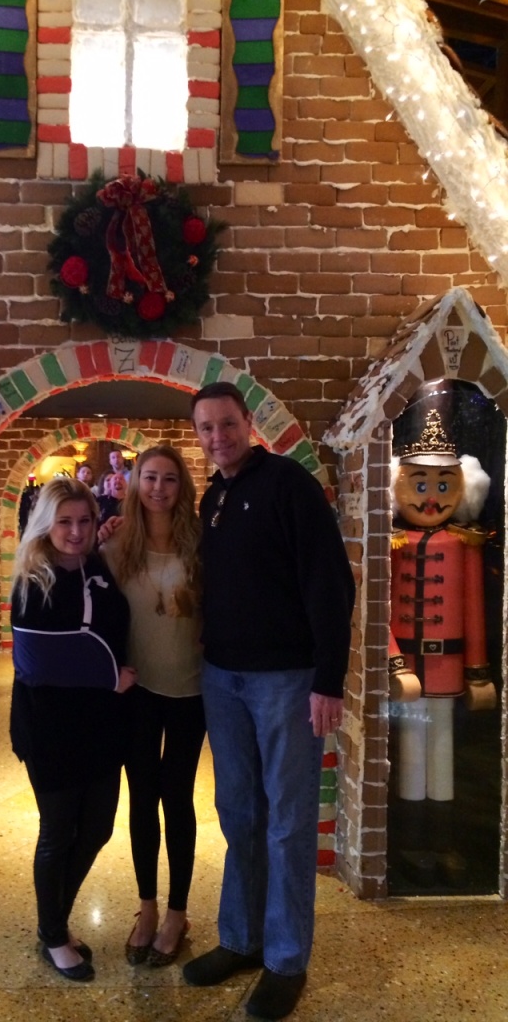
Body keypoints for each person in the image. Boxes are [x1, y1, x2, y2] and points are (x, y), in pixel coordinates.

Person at [182, 382, 355, 1021]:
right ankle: (241, 938)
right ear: (197, 435)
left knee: (286, 822)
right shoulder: (214, 498)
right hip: (223, 677)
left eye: (227, 424)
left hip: (287, 679)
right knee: (239, 815)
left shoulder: (289, 485)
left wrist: (328, 681)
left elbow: (331, 585)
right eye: (206, 428)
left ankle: (285, 960)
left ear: (248, 423)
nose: (218, 437)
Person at [9, 477, 137, 983]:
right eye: (65, 521)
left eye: (84, 520)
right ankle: (53, 933)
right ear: (46, 523)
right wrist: (109, 675)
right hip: (49, 728)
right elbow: (38, 661)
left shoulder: (99, 568)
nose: (76, 531)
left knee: (99, 828)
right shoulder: (31, 579)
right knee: (59, 832)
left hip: (103, 724)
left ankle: (55, 922)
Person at [101, 445, 204, 968]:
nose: (158, 488)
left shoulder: (201, 544)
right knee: (140, 798)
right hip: (137, 691)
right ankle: (146, 906)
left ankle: (177, 912)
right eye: (149, 478)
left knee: (177, 799)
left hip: (191, 692)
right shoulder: (117, 545)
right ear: (134, 483)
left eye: (168, 479)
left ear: (181, 486)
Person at [388, 408, 494, 887]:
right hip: (409, 667)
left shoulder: (463, 545)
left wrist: (479, 671)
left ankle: (445, 841)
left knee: (443, 755)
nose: (431, 497)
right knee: (411, 754)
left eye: (443, 485)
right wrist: (393, 661)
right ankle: (412, 843)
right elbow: (382, 607)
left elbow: (473, 610)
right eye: (421, 484)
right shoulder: (394, 543)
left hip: (450, 667)